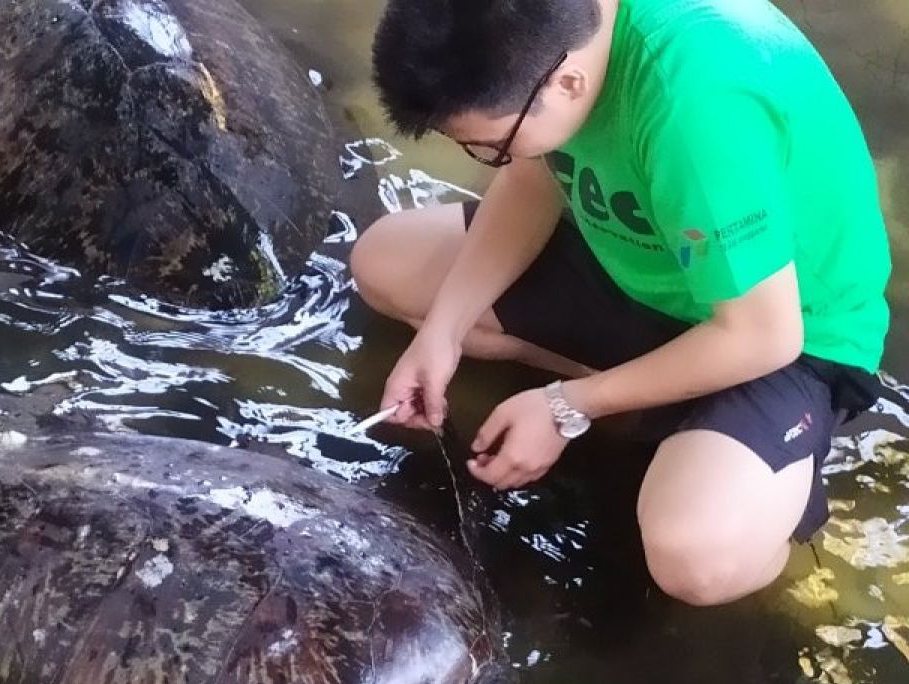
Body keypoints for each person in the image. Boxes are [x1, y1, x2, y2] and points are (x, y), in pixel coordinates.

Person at [352, 0, 891, 606]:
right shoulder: (559, 40)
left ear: (568, 81)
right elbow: (536, 177)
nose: (489, 160)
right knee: (386, 263)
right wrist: (441, 336)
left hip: (782, 329)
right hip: (636, 255)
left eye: (490, 146)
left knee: (697, 556)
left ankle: (763, 476)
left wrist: (566, 406)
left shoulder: (699, 102)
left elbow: (765, 334)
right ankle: (663, 400)